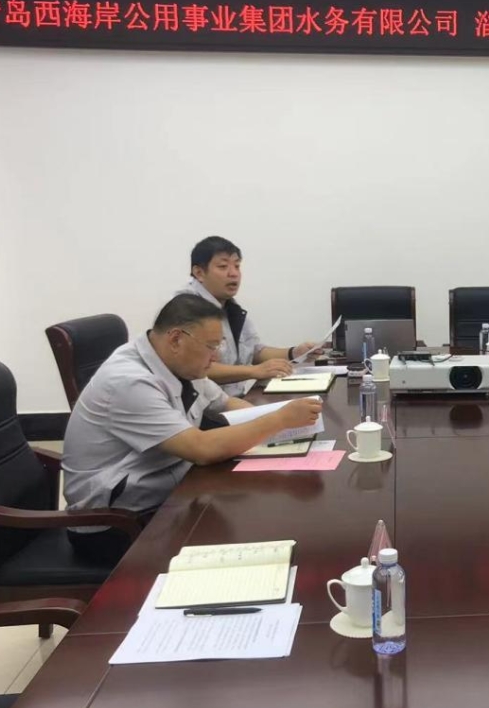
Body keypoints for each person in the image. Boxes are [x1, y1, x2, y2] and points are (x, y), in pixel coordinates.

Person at [63, 294, 322, 564]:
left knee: (263, 516)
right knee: (252, 545)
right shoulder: (128, 381)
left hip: (169, 496)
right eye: (211, 346)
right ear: (176, 339)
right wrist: (278, 420)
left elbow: (226, 403)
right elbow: (201, 449)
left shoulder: (176, 363)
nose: (217, 356)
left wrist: (286, 427)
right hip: (119, 525)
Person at [180, 236, 324, 396]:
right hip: (203, 406)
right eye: (223, 266)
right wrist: (254, 371)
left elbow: (254, 351)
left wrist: (295, 352)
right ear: (199, 273)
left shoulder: (229, 306)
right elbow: (195, 368)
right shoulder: (185, 308)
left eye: (237, 266)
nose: (234, 273)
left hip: (230, 399)